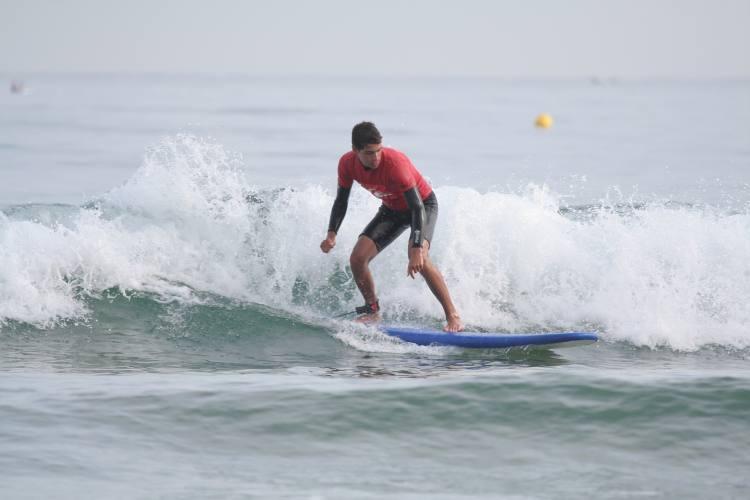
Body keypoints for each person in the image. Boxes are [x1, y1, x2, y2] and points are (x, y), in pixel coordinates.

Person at [320, 122, 463, 332]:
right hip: (392, 209)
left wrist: (416, 248)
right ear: (355, 151)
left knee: (420, 259)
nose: (376, 157)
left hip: (423, 206)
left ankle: (453, 316)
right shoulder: (346, 164)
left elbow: (416, 208)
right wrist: (331, 234)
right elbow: (341, 199)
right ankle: (372, 311)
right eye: (369, 153)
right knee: (358, 259)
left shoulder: (395, 164)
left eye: (378, 151)